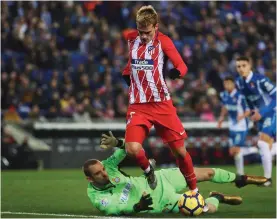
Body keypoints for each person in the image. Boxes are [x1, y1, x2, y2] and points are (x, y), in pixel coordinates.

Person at [83, 132, 268, 216]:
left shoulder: (109, 166)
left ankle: (240, 179)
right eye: (99, 174)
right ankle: (218, 198)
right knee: (203, 210)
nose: (105, 174)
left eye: (103, 169)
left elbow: (129, 149)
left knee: (207, 173)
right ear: (89, 178)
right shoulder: (97, 196)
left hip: (158, 178)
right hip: (160, 202)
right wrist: (137, 208)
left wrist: (117, 142)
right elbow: (112, 209)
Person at [122, 5, 197, 193]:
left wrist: (177, 72)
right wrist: (126, 73)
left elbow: (182, 65)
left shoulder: (164, 42)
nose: (143, 36)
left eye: (147, 32)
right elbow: (131, 62)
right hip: (138, 105)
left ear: (156, 27)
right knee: (132, 148)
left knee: (180, 151)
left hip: (161, 103)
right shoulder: (131, 39)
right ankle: (149, 171)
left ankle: (194, 191)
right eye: (140, 32)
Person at [235, 56, 276, 186]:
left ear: (250, 66)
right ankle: (267, 179)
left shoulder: (261, 80)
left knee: (263, 143)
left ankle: (267, 179)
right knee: (266, 146)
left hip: (272, 112)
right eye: (238, 66)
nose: (241, 69)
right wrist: (252, 113)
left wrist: (262, 112)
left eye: (243, 65)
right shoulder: (239, 83)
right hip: (259, 116)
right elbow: (248, 101)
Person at [217, 76, 258, 175]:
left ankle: (256, 149)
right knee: (233, 152)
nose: (226, 86)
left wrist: (242, 116)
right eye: (225, 84)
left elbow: (249, 111)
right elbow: (224, 107)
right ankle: (240, 173)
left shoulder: (240, 96)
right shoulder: (224, 95)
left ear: (233, 84)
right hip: (232, 126)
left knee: (236, 149)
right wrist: (221, 118)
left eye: (228, 84)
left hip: (241, 127)